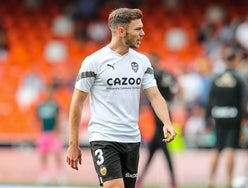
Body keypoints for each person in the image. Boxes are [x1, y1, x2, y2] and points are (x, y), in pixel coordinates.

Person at [66, 8, 177, 188]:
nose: (143, 33)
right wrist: (73, 144)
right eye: (138, 29)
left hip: (132, 139)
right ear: (121, 31)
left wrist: (167, 122)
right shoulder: (94, 62)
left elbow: (155, 96)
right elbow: (76, 103)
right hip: (104, 137)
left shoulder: (142, 62)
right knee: (115, 186)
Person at [205, 45, 248, 188]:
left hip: (218, 116)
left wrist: (207, 118)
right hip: (233, 117)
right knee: (230, 148)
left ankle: (211, 180)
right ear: (235, 59)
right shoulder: (239, 78)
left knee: (217, 148)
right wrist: (244, 118)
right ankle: (229, 182)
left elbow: (210, 99)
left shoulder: (216, 77)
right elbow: (244, 100)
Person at [136, 52, 178, 188]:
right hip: (167, 112)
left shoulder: (155, 75)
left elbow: (150, 93)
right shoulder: (169, 74)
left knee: (163, 147)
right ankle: (141, 179)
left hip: (159, 114)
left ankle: (173, 181)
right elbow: (175, 90)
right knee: (153, 149)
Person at [36, 85, 65, 184]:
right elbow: (37, 119)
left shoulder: (55, 106)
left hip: (54, 133)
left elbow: (59, 118)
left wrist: (57, 131)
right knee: (43, 155)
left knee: (57, 154)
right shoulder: (41, 106)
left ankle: (60, 174)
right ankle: (44, 174)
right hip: (44, 133)